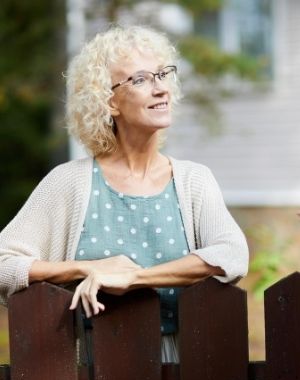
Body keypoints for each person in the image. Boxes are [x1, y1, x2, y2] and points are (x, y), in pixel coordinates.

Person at [0, 25, 248, 362]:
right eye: (141, 79)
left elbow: (232, 254)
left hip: (186, 363)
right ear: (109, 102)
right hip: (90, 366)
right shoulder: (69, 182)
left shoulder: (194, 180)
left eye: (163, 75)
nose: (161, 89)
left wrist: (133, 277)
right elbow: (3, 263)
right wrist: (84, 268)